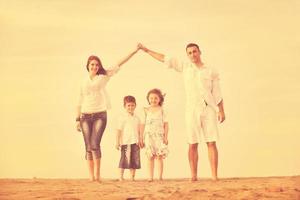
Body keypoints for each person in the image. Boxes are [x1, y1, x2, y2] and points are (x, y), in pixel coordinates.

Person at [138, 43, 225, 181]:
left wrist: (221, 111)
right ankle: (194, 176)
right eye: (189, 53)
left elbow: (217, 92)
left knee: (211, 142)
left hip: (209, 108)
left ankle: (214, 176)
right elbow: (165, 58)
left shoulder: (210, 70)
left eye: (194, 51)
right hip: (192, 109)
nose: (192, 54)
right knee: (192, 143)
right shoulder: (185, 67)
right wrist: (147, 50)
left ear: (199, 52)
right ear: (187, 55)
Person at [75, 47, 139, 182]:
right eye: (92, 64)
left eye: (97, 64)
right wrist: (77, 119)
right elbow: (79, 100)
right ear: (88, 65)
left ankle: (97, 175)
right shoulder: (83, 81)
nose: (95, 66)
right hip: (85, 116)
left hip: (99, 114)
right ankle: (91, 176)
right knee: (87, 146)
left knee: (94, 144)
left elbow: (119, 63)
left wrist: (134, 50)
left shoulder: (103, 76)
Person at [140, 88, 169, 181]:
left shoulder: (162, 110)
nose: (153, 100)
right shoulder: (145, 110)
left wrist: (165, 137)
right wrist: (141, 137)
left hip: (159, 136)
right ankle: (150, 177)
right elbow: (142, 124)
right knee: (150, 156)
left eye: (156, 98)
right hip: (149, 136)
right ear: (148, 99)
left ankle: (160, 177)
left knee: (159, 156)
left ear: (160, 99)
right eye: (151, 98)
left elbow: (166, 124)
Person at [115, 95, 141, 181]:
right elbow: (118, 130)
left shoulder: (137, 118)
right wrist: (117, 142)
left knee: (134, 160)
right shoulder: (122, 117)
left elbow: (139, 131)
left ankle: (132, 177)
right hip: (125, 142)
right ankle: (120, 177)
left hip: (135, 142)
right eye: (128, 105)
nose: (130, 107)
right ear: (124, 106)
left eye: (132, 105)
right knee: (124, 159)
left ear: (135, 105)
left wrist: (140, 140)